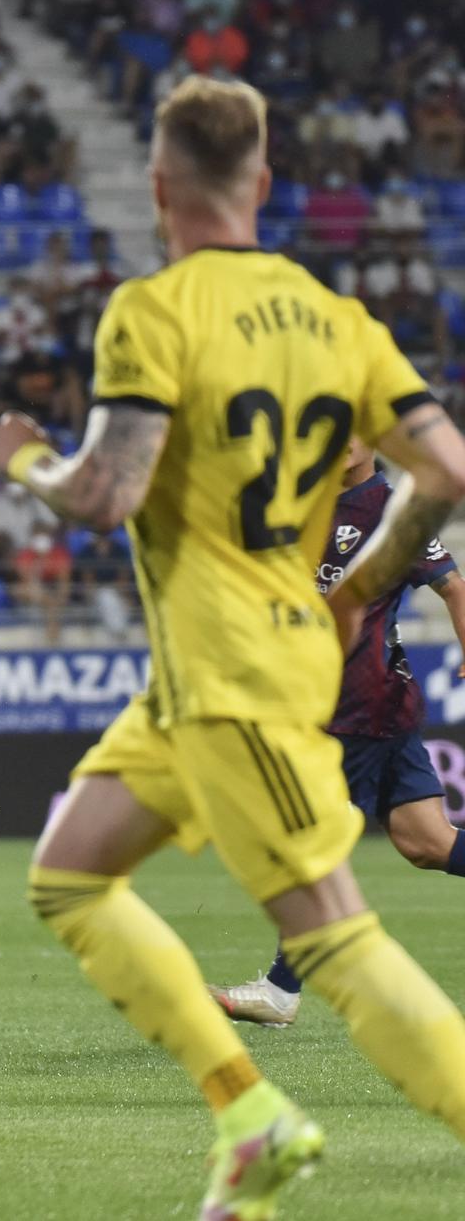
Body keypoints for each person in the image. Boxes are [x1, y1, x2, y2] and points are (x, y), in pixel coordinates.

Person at [0, 76, 465, 1218]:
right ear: (260, 180)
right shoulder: (336, 318)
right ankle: (247, 1114)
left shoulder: (152, 310)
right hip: (214, 675)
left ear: (157, 187)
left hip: (235, 675)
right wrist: (361, 590)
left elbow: (103, 494)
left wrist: (18, 459)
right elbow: (443, 472)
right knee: (68, 875)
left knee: (332, 944)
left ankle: (260, 1114)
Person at [209, 437, 465, 1026]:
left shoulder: (391, 511)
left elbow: (453, 586)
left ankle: (281, 989)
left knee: (308, 836)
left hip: (361, 703)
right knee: (428, 843)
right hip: (352, 703)